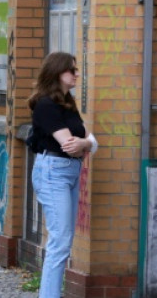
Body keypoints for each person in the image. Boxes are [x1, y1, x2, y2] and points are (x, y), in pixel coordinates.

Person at [28, 52, 97, 298]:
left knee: (63, 241)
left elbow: (87, 141)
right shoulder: (45, 104)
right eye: (72, 70)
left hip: (68, 171)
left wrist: (85, 144)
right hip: (53, 171)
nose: (77, 74)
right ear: (58, 73)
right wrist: (85, 143)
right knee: (60, 241)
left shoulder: (67, 102)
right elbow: (70, 144)